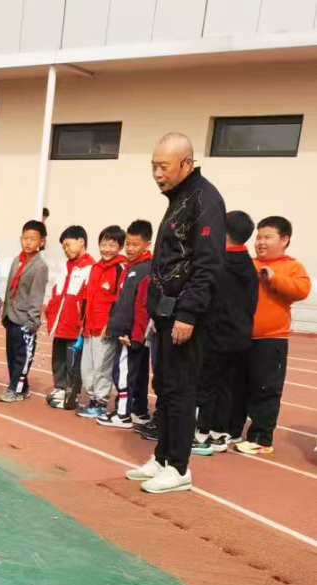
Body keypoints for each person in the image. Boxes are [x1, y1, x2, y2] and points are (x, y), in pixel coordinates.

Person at [126, 133, 224, 494]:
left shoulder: (205, 199)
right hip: (166, 312)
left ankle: (179, 467)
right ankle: (162, 457)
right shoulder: (179, 197)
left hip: (186, 315)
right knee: (165, 387)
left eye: (163, 166)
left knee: (181, 389)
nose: (157, 173)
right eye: (153, 166)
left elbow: (208, 264)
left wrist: (188, 314)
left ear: (186, 164)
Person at [231, 216, 311, 455]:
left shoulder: (292, 266)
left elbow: (302, 290)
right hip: (240, 338)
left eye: (267, 237)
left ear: (284, 240)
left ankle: (261, 438)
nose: (260, 242)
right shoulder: (248, 264)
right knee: (237, 387)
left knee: (265, 389)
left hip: (271, 340)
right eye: (258, 237)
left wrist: (274, 278)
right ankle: (231, 430)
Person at [190, 211, 258, 454]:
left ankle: (201, 435)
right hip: (240, 336)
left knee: (205, 384)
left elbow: (209, 300)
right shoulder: (248, 264)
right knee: (225, 386)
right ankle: (219, 434)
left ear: (224, 232)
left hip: (216, 334)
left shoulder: (219, 263)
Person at [99, 220, 154, 429]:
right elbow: (120, 302)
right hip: (126, 332)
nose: (130, 248)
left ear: (147, 245)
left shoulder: (144, 271)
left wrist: (134, 335)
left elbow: (142, 308)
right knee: (136, 374)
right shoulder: (129, 268)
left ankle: (123, 414)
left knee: (123, 373)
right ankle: (138, 411)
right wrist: (111, 324)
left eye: (135, 244)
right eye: (128, 244)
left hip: (130, 335)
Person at [77, 225, 126, 419]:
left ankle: (100, 402)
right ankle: (92, 399)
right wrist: (83, 323)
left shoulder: (120, 269)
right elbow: (86, 298)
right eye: (103, 244)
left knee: (102, 368)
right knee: (87, 368)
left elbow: (119, 300)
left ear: (120, 247)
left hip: (105, 329)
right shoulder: (95, 268)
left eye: (112, 245)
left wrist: (111, 325)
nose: (107, 249)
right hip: (89, 327)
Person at [45, 225, 94, 410]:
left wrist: (83, 323)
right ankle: (60, 388)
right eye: (63, 247)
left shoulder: (90, 268)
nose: (66, 249)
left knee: (73, 361)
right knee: (58, 359)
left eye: (68, 245)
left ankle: (71, 393)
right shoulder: (66, 268)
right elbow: (57, 293)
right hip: (60, 324)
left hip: (75, 326)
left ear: (81, 242)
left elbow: (87, 299)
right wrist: (51, 316)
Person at [0, 220, 49, 402]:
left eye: (32, 239)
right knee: (12, 355)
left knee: (23, 357)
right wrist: (4, 313)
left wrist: (33, 321)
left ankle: (15, 389)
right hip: (11, 316)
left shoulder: (40, 267)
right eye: (25, 238)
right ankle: (23, 387)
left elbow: (36, 295)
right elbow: (9, 289)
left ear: (41, 242)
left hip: (25, 320)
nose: (28, 242)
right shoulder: (17, 260)